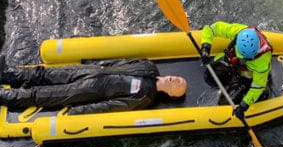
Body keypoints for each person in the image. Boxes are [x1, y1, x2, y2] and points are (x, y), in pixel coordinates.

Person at [0, 58, 187, 114]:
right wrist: (95, 63)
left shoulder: (145, 97)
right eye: (178, 78)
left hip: (89, 90)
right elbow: (119, 62)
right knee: (44, 73)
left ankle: (5, 96)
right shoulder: (148, 66)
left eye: (178, 85)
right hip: (92, 70)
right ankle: (6, 74)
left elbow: (112, 106)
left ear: (171, 95)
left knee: (41, 95)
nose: (175, 79)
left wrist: (79, 111)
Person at [200, 21, 273, 121]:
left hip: (247, 77)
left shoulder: (262, 62)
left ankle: (260, 93)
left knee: (224, 102)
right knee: (210, 74)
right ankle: (228, 79)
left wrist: (244, 105)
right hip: (232, 64)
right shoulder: (240, 31)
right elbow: (212, 28)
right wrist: (205, 47)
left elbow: (258, 85)